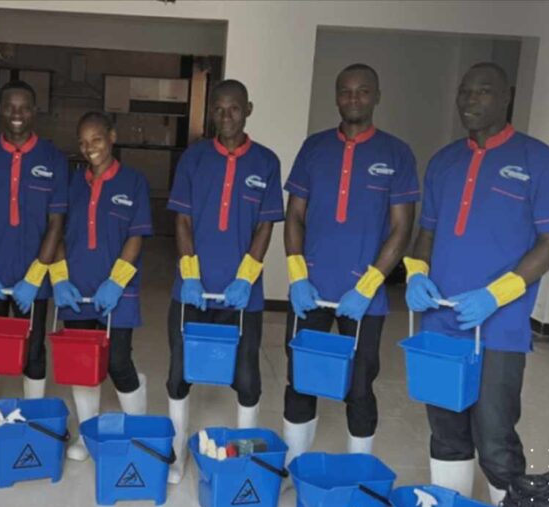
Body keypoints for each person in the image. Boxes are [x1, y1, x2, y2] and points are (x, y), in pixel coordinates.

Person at [406, 62, 549, 504]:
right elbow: (428, 231)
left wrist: (497, 294)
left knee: (495, 436)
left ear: (507, 97)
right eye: (464, 91)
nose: (470, 101)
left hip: (500, 326)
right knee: (445, 429)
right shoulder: (443, 162)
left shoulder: (542, 162)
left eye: (483, 92)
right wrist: (416, 273)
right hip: (440, 321)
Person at [282, 63, 419, 467]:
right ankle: (295, 465)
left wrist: (369, 285)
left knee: (359, 385)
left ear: (377, 96)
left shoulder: (397, 153)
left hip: (364, 298)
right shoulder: (315, 147)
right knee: (300, 379)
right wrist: (296, 277)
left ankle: (359, 468)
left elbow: (402, 228)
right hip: (311, 291)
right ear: (336, 96)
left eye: (362, 91)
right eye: (345, 91)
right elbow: (294, 216)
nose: (353, 98)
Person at [165, 79, 285, 483]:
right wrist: (190, 274)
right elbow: (182, 219)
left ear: (248, 110)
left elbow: (266, 227)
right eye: (218, 109)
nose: (226, 116)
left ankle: (242, 457)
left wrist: (245, 278)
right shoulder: (193, 159)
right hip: (193, 288)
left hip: (241, 295)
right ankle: (177, 453)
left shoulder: (266, 162)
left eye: (234, 109)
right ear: (210, 112)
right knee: (180, 373)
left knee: (247, 377)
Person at [0, 81, 68, 432]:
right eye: (10, 106)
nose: (17, 115)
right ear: (0, 109)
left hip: (31, 278)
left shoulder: (53, 158)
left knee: (33, 354)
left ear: (35, 111)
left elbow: (56, 222)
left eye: (24, 107)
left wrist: (35, 277)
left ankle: (31, 425)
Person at [50, 112, 153, 461]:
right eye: (82, 142)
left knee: (118, 361)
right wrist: (60, 278)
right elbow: (57, 232)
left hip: (117, 290)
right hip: (75, 289)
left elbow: (136, 236)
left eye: (95, 139)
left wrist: (116, 282)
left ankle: (138, 431)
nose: (89, 148)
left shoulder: (134, 182)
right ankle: (88, 434)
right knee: (82, 363)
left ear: (111, 136)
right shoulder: (71, 182)